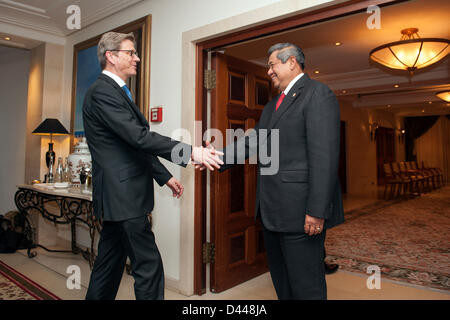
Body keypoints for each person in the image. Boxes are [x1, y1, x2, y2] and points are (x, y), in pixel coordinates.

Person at [83, 31, 222, 300]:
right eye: (131, 52)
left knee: (108, 266)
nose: (136, 58)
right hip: (124, 198)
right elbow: (139, 138)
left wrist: (164, 177)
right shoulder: (103, 92)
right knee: (149, 267)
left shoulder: (116, 92)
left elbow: (132, 145)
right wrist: (191, 152)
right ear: (111, 57)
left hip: (118, 198)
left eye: (136, 53)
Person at [214, 43, 344, 299]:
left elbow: (324, 158)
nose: (269, 71)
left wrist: (316, 211)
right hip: (273, 211)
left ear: (292, 62)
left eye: (272, 64)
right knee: (282, 281)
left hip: (302, 213)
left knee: (307, 286)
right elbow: (254, 141)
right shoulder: (273, 104)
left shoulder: (318, 94)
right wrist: (216, 157)